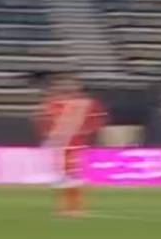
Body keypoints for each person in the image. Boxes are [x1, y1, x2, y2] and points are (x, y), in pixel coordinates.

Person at [34, 71, 107, 216]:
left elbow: (99, 118)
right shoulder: (54, 103)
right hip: (60, 146)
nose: (67, 87)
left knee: (72, 176)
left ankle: (74, 208)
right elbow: (44, 120)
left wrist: (89, 130)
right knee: (63, 177)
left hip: (75, 146)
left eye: (70, 84)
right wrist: (47, 133)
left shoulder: (86, 103)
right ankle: (67, 208)